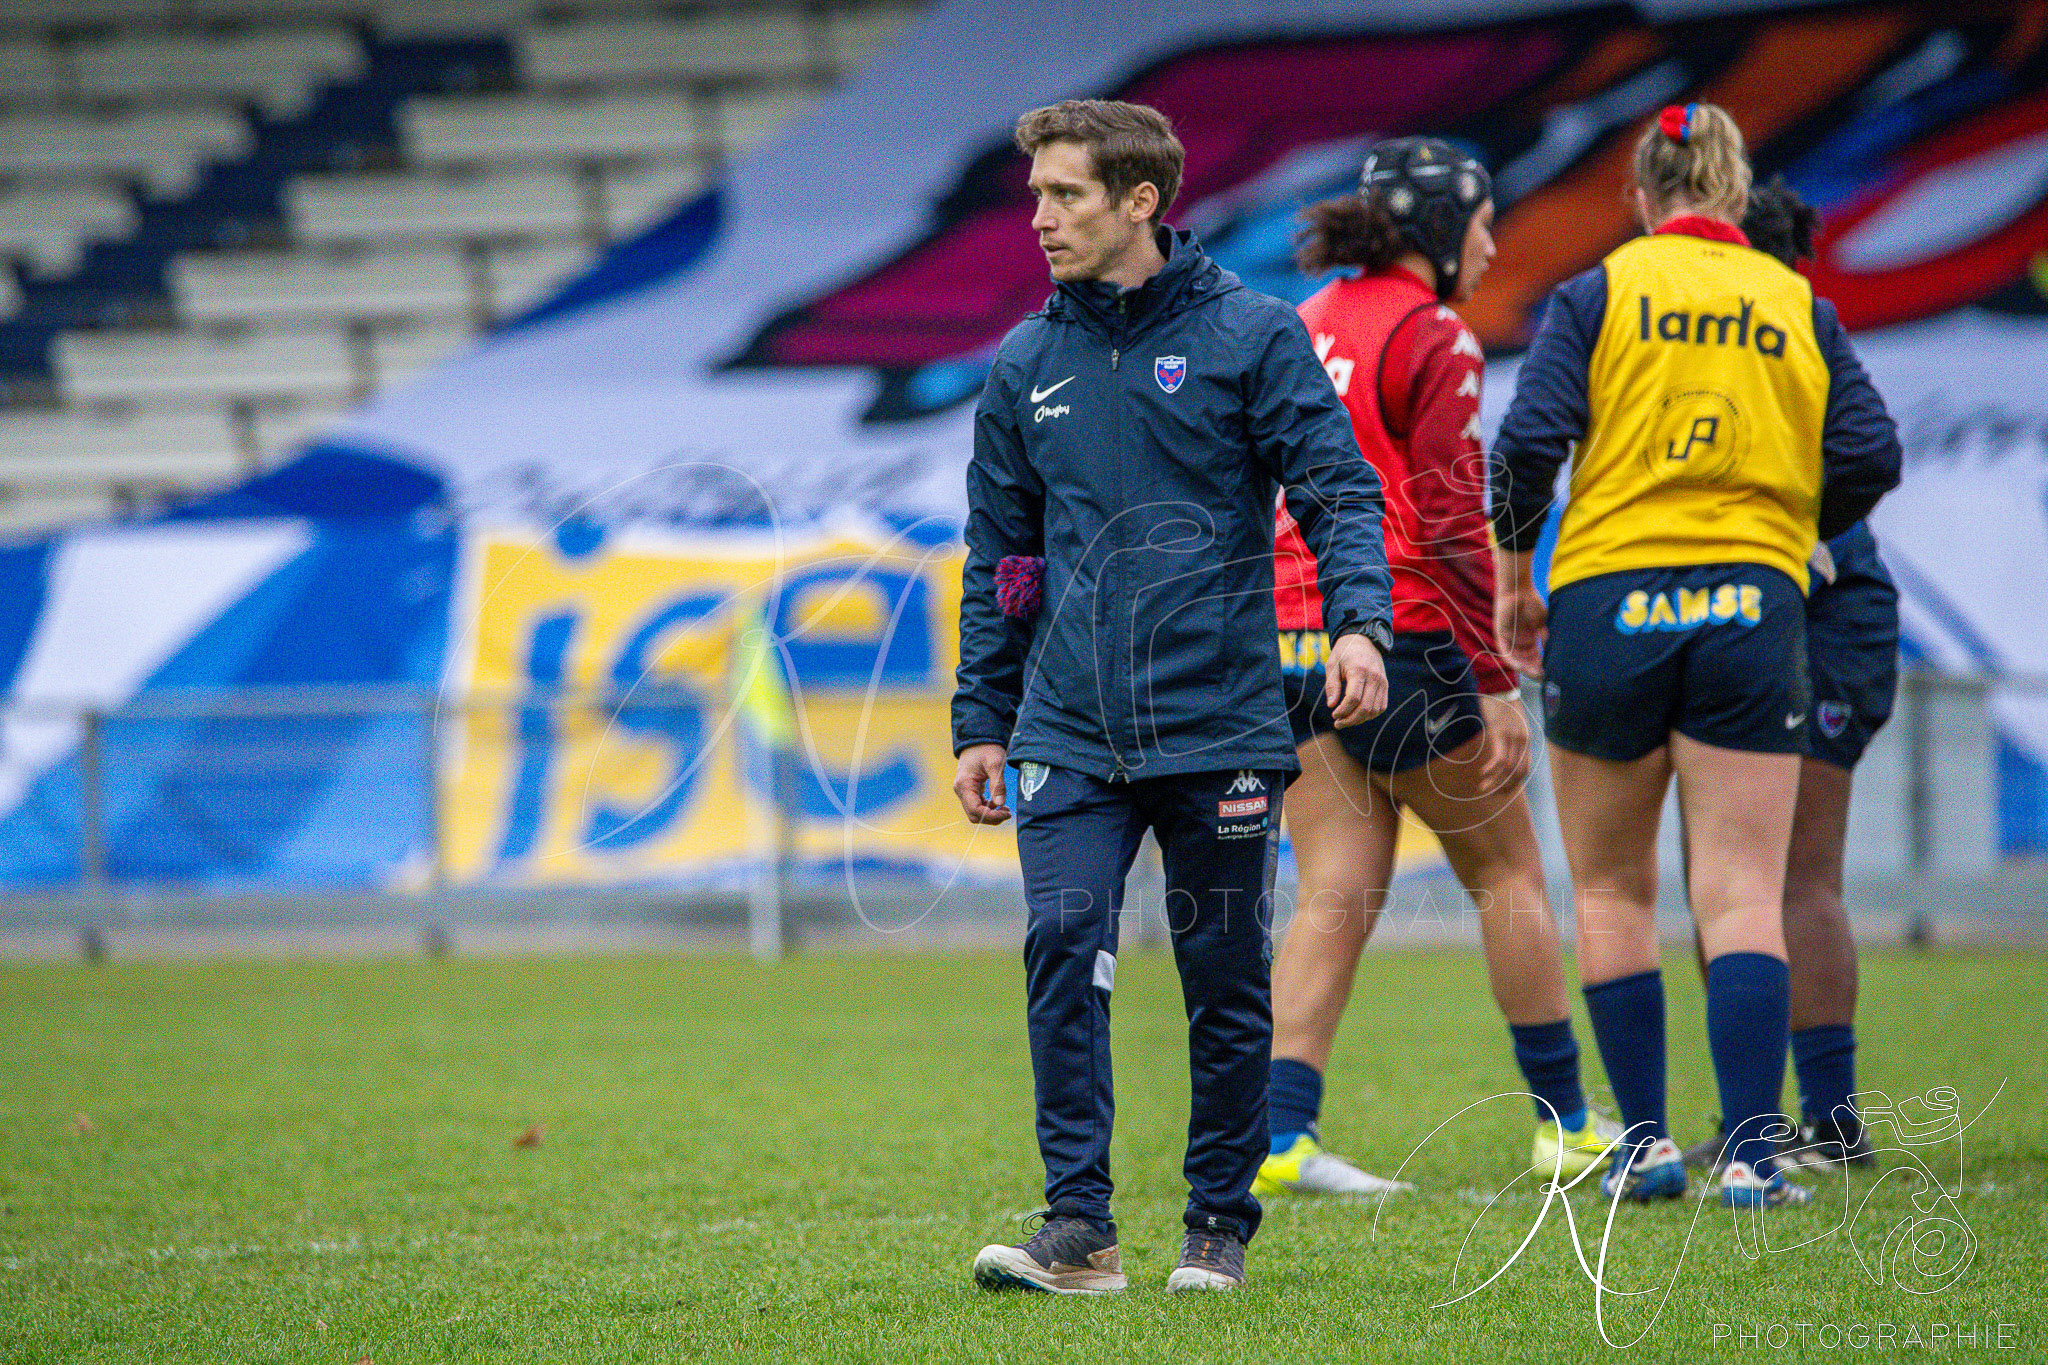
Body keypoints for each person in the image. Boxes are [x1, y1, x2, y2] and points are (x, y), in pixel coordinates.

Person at [951, 99, 1395, 1294]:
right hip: (1067, 724)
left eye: (1064, 194)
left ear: (1138, 200)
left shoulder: (1252, 334)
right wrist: (981, 720)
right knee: (1061, 942)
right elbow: (1004, 559)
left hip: (1219, 720)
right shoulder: (1023, 360)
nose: (1039, 217)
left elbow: (1339, 490)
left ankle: (1215, 1226)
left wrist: (1359, 624)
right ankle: (1078, 1230)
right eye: (1035, 195)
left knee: (1223, 979)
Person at [1489, 103, 1901, 1210]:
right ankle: (1756, 1155)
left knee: (1611, 889)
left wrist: (1514, 582)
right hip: (1750, 607)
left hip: (1609, 600)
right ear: (1733, 191)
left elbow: (1524, 447)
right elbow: (1870, 453)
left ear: (1638, 197)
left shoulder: (1598, 291)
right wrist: (1786, 528)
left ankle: (1645, 1147)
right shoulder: (1796, 303)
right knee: (1741, 893)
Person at [1254, 138, 1618, 1201]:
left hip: (1293, 638)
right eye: (1484, 223)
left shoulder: (1304, 320)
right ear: (1441, 229)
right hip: (1402, 638)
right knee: (1505, 872)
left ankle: (1278, 1136)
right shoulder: (1432, 333)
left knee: (1333, 887)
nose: (1493, 244)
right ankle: (1565, 1124)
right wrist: (1495, 682)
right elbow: (1453, 520)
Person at [1681, 176, 1897, 1174]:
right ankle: (1755, 1116)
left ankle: (1830, 1119)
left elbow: (1867, 457)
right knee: (1730, 871)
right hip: (1740, 611)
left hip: (1821, 612)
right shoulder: (1712, 339)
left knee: (1789, 872)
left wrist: (1795, 528)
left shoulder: (1785, 329)